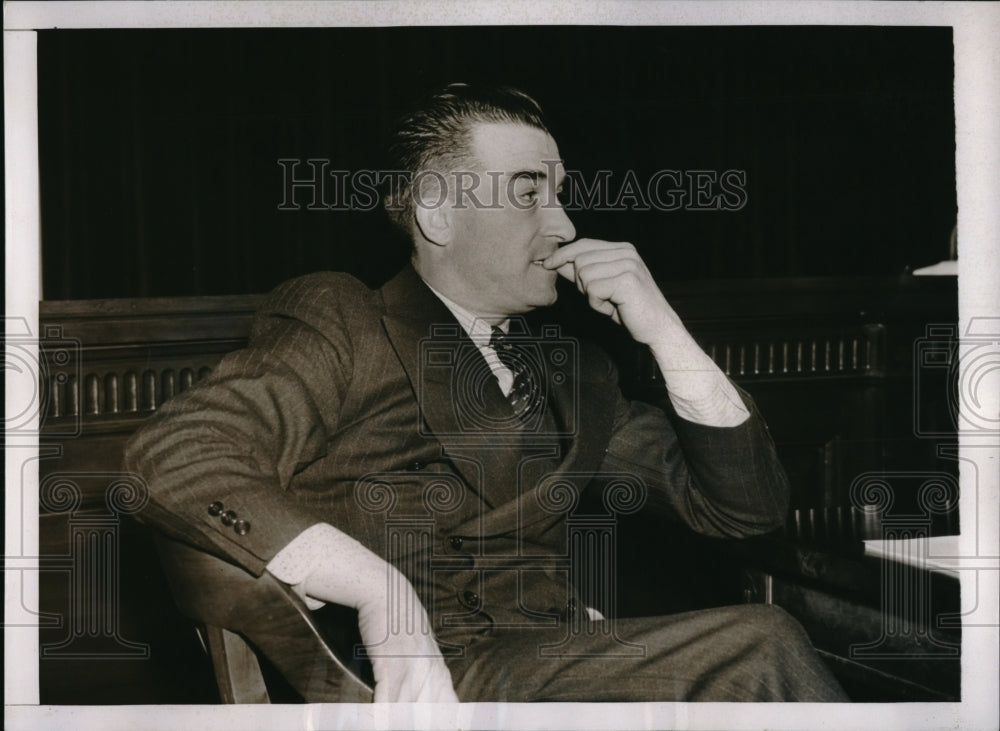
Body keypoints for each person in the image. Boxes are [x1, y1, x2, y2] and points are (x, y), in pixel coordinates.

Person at [125, 83, 847, 703]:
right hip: (419, 684)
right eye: (529, 193)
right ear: (438, 214)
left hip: (549, 668)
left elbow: (744, 510)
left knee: (761, 646)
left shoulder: (574, 371)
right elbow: (176, 454)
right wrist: (384, 594)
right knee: (760, 643)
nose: (563, 224)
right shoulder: (343, 319)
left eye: (560, 196)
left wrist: (665, 330)